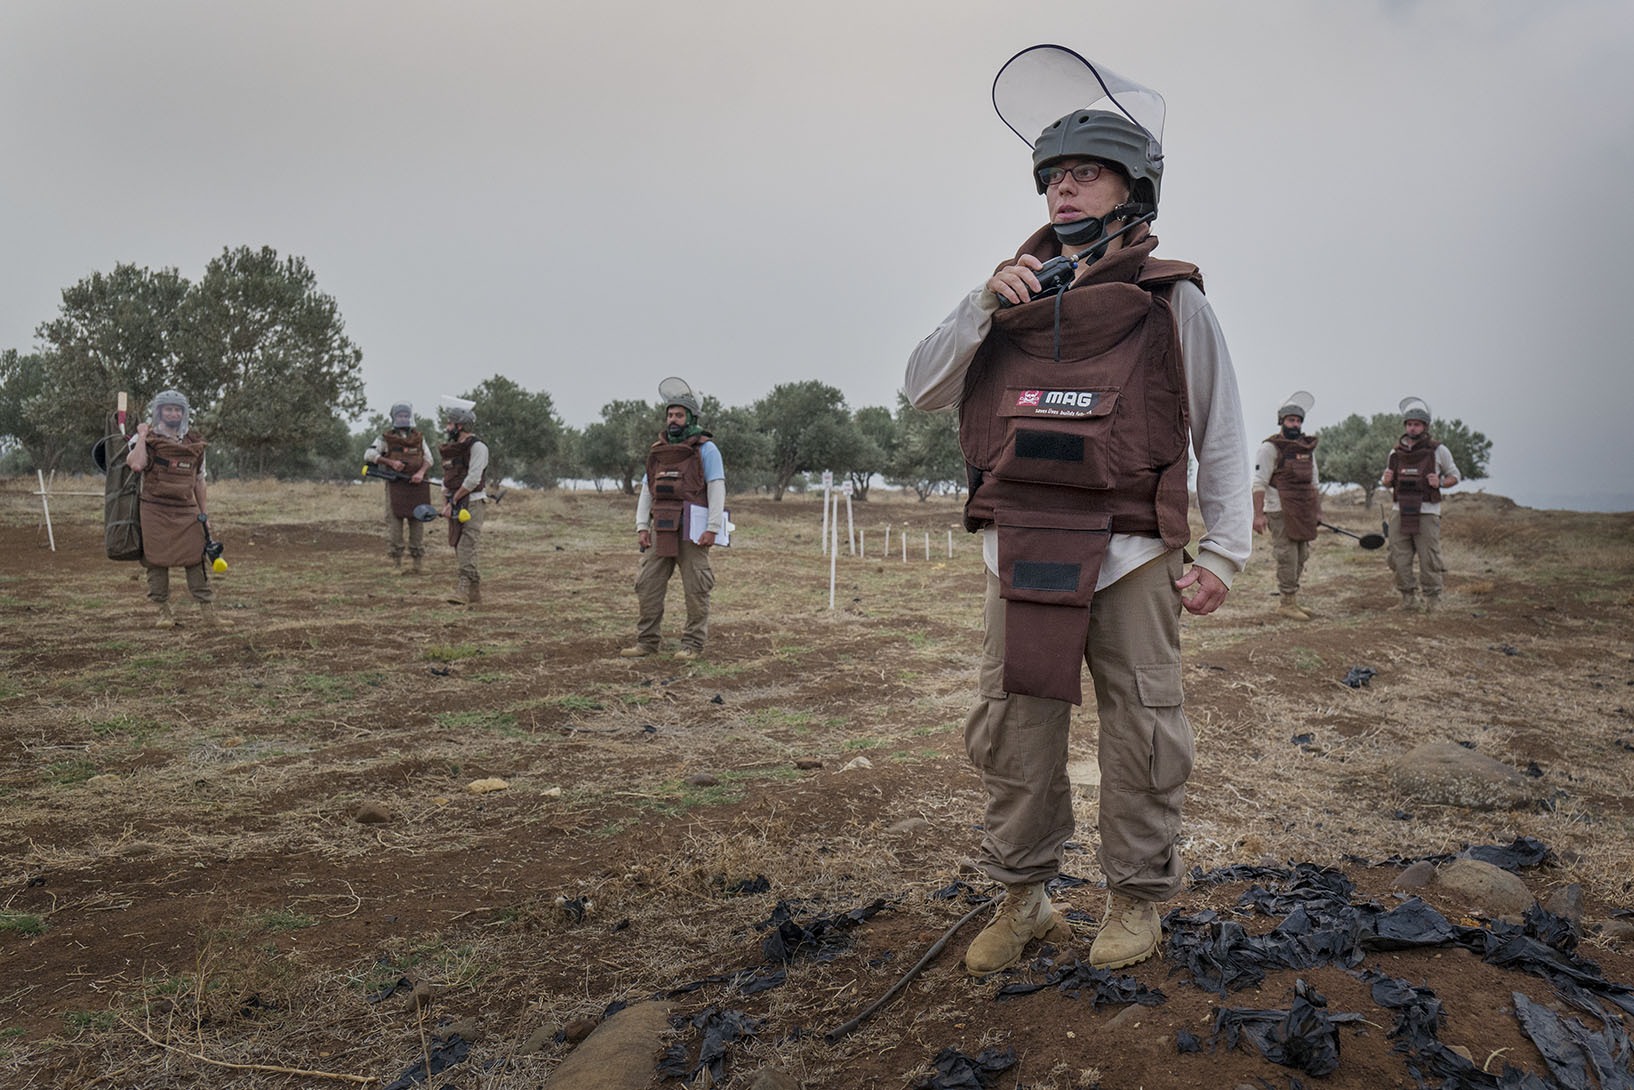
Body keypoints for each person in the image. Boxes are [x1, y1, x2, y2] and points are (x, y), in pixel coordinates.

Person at [903, 60, 1250, 974]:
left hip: (1133, 555)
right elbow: (920, 389)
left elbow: (1221, 428)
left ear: (1134, 192)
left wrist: (1226, 554)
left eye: (1085, 172)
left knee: (1142, 729)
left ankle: (1136, 902)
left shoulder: (1175, 300)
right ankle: (1025, 898)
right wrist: (983, 305)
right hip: (1018, 553)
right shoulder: (1006, 298)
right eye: (1054, 175)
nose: (1063, 186)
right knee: (1015, 729)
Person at [619, 379, 726, 662]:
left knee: (696, 588)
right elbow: (647, 490)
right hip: (661, 527)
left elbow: (716, 487)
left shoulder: (707, 450)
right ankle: (647, 642)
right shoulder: (658, 451)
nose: (673, 420)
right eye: (670, 414)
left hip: (693, 529)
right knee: (648, 584)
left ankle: (692, 644)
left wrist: (712, 528)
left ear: (691, 417)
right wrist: (642, 526)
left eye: (679, 415)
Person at [125, 389, 224, 628]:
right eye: (168, 409)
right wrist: (141, 435)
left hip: (186, 509)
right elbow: (137, 465)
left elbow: (199, 480)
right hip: (154, 508)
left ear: (183, 413)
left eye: (177, 409)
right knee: (156, 560)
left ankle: (208, 613)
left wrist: (204, 514)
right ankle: (164, 613)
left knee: (196, 557)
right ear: (160, 411)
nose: (173, 413)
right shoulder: (144, 438)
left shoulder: (194, 443)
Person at [1379, 398, 1459, 611]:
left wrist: (1440, 482)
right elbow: (1388, 482)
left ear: (1425, 426)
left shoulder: (1438, 451)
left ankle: (1433, 601)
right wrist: (1386, 481)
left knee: (1429, 557)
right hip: (1400, 510)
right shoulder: (1395, 453)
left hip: (1427, 512)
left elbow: (1455, 476)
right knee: (1398, 556)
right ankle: (1408, 600)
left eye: (1416, 424)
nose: (1412, 427)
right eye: (1409, 424)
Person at [1252, 393, 1321, 621]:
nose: (1295, 424)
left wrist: (1317, 512)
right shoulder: (1270, 448)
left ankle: (1292, 600)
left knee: (1301, 556)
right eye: (1291, 420)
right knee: (1287, 556)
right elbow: (1259, 484)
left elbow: (1314, 484)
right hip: (1279, 511)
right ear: (1282, 421)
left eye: (1298, 421)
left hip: (1303, 511)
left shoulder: (1306, 449)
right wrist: (1258, 515)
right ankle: (1286, 603)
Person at [363, 401, 435, 575]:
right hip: (396, 487)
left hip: (417, 487)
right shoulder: (385, 438)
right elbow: (369, 454)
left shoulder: (419, 438)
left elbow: (429, 459)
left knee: (418, 521)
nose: (403, 418)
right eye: (400, 415)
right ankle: (397, 563)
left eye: (405, 415)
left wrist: (421, 472)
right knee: (395, 522)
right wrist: (390, 462)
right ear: (394, 417)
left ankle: (417, 563)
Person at [438, 403, 490, 606]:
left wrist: (454, 498)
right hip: (455, 501)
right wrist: (446, 501)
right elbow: (447, 477)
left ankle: (462, 589)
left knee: (466, 544)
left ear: (460, 426)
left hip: (473, 503)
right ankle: (474, 588)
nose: (447, 427)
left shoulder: (478, 447)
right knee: (457, 544)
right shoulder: (453, 449)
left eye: (450, 424)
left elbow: (473, 479)